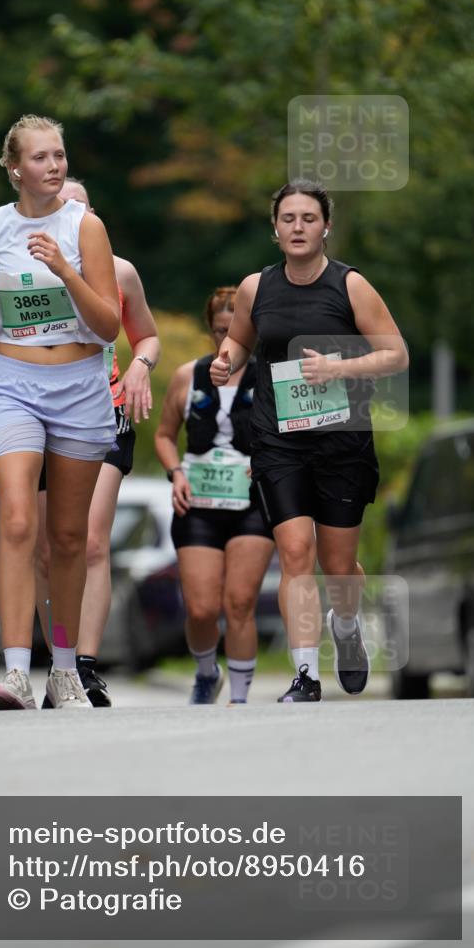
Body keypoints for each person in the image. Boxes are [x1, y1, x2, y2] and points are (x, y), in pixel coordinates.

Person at [210, 179, 409, 703]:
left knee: (337, 565)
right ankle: (305, 676)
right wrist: (225, 360)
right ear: (274, 229)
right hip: (279, 438)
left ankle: (346, 625)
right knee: (295, 551)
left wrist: (338, 365)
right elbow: (239, 338)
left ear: (326, 227)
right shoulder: (256, 287)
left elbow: (395, 354)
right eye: (289, 219)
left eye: (309, 219)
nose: (298, 227)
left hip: (341, 441)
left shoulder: (350, 286)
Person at [0, 114, 120, 711]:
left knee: (69, 537)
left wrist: (65, 270)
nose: (54, 166)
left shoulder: (86, 227)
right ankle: (16, 674)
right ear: (13, 167)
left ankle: (65, 667)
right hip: (12, 382)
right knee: (20, 522)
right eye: (41, 157)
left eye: (60, 155)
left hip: (79, 383)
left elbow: (108, 327)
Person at [33, 178, 160, 708]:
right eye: (65, 206)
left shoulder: (121, 272)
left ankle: (84, 664)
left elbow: (147, 336)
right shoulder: (26, 273)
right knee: (47, 550)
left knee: (88, 542)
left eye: (83, 207)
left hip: (104, 410)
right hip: (39, 415)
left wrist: (139, 367)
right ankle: (57, 666)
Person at [155, 288, 275, 705]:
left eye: (236, 331)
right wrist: (175, 473)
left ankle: (240, 699)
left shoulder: (270, 377)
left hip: (252, 503)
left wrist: (264, 462)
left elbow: (290, 436)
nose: (228, 340)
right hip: (199, 502)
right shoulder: (189, 375)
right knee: (203, 608)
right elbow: (164, 435)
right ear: (210, 330)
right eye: (220, 331)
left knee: (240, 602)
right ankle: (207, 672)